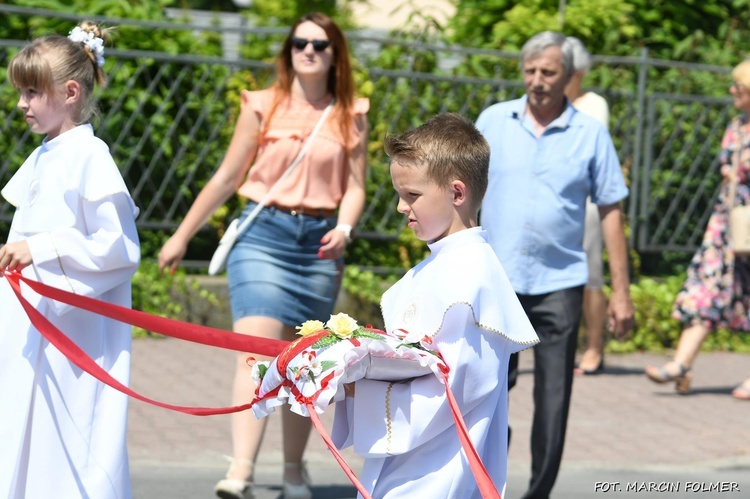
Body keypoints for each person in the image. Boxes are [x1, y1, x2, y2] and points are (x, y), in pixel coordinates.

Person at [157, 12, 369, 499]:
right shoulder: (262, 105)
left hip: (319, 244)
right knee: (253, 355)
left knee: (302, 362)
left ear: (335, 53)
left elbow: (356, 188)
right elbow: (227, 178)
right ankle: (242, 470)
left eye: (320, 43)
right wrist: (181, 235)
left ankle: (294, 471)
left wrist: (344, 227)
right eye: (300, 42)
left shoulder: (349, 113)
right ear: (288, 50)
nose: (309, 50)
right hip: (263, 236)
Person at [331, 113, 539, 497]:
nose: (399, 207)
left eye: (411, 195)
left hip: (440, 470)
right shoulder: (437, 266)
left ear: (457, 193)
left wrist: (361, 391)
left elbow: (455, 391)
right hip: (409, 461)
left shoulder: (470, 277)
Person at [475, 31, 634, 499]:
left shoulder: (590, 134)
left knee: (553, 399)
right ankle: (486, 484)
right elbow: (462, 190)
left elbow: (611, 210)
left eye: (548, 72)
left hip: (560, 282)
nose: (537, 81)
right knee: (487, 393)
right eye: (530, 71)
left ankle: (538, 493)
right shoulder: (493, 120)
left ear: (569, 77)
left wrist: (620, 293)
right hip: (496, 280)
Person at [0, 22, 141, 498]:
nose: (22, 104)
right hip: (32, 328)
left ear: (70, 91)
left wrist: (40, 250)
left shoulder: (90, 156)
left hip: (72, 338)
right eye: (21, 91)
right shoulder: (46, 155)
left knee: (67, 443)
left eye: (32, 92)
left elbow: (118, 248)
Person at [645, 60, 750, 401]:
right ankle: (681, 363)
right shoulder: (737, 125)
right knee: (706, 287)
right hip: (728, 223)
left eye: (740, 86)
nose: (733, 91)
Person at [564, 36, 611, 375]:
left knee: (591, 277)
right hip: (556, 204)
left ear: (577, 72)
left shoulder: (593, 104)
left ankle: (595, 348)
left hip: (587, 205)